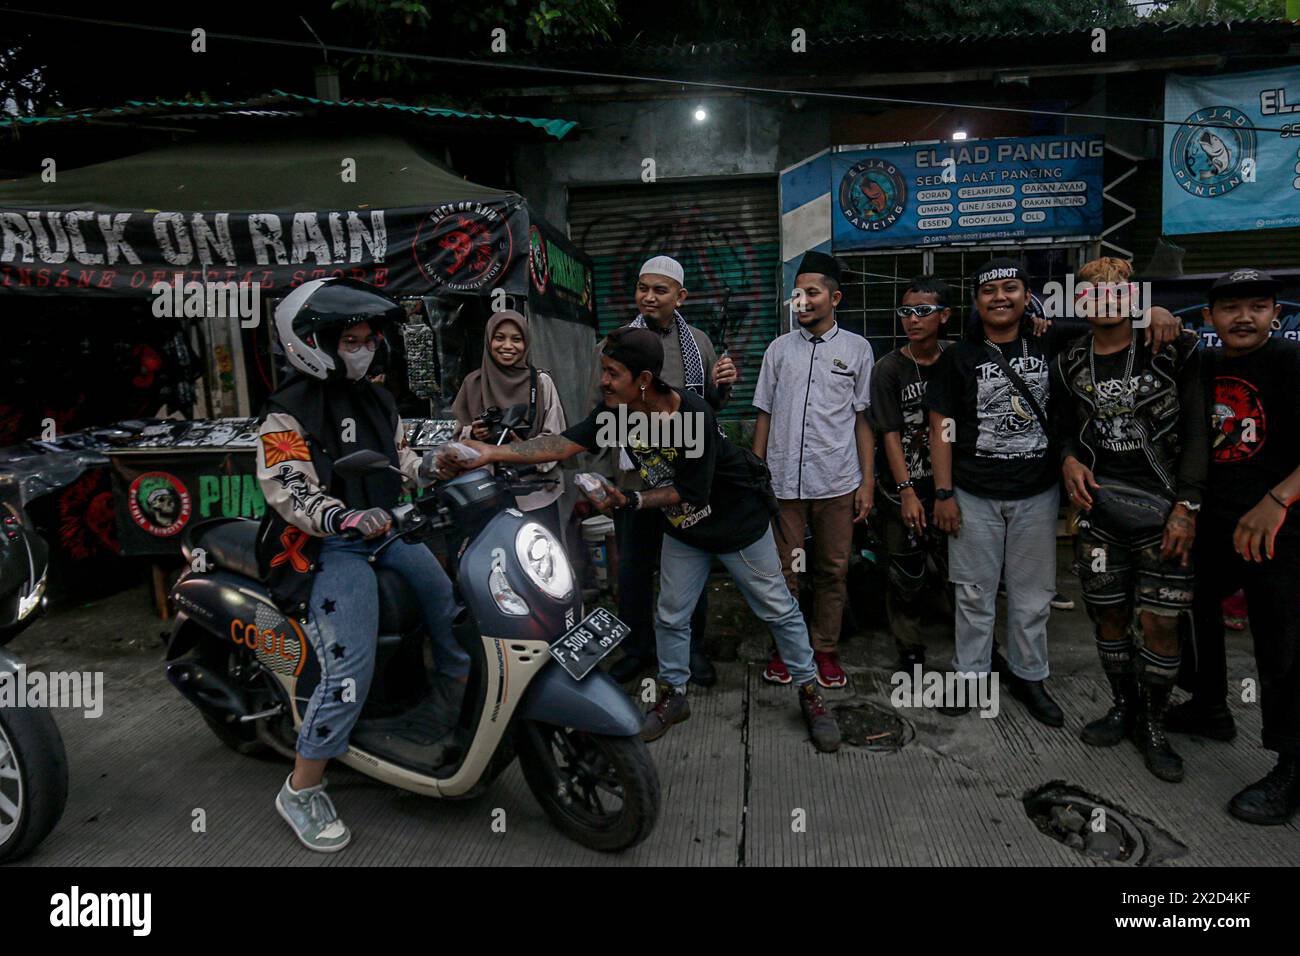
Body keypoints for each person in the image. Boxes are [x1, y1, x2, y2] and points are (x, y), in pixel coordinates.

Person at [441, 326, 841, 752]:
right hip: (685, 530)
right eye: (604, 371)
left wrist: (627, 499)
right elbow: (561, 444)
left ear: (643, 380)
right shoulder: (617, 413)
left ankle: (811, 693)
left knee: (777, 608)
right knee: (670, 614)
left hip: (736, 526)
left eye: (613, 373)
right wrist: (489, 453)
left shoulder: (693, 416)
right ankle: (673, 695)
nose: (604, 381)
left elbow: (691, 491)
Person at [256, 277, 468, 853]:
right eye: (352, 338)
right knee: (349, 668)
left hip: (389, 530)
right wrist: (340, 518)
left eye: (369, 338)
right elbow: (287, 488)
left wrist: (434, 466)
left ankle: (449, 710)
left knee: (454, 612)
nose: (365, 347)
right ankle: (301, 788)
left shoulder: (377, 398)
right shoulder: (285, 414)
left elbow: (399, 459)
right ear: (313, 342)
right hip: (329, 547)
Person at [925, 258, 1181, 725]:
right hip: (972, 493)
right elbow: (941, 425)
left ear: (1027, 297)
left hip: (1038, 493)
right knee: (974, 594)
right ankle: (970, 678)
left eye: (1010, 288)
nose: (1000, 297)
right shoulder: (957, 357)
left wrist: (1156, 312)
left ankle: (1029, 677)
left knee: (1032, 594)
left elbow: (1111, 321)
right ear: (976, 302)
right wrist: (943, 493)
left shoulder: (1055, 340)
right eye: (989, 291)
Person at [1053, 256, 1206, 783]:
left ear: (1134, 297)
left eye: (1118, 291)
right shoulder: (1070, 359)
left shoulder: (1170, 349)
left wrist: (1188, 506)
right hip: (1099, 512)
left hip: (1165, 511)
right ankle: (1123, 706)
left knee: (1161, 621)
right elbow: (1066, 427)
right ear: (1080, 302)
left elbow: (1197, 433)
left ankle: (1156, 723)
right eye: (1093, 293)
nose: (1105, 301)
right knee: (1108, 617)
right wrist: (1070, 458)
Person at [1171, 268, 1300, 824]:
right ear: (1209, 318)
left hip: (1277, 526)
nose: (1243, 317)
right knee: (1186, 604)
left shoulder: (1292, 362)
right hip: (1214, 521)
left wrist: (1279, 500)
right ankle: (1208, 707)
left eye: (1257, 306)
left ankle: (1292, 766)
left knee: (1282, 646)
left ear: (1276, 313)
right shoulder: (1203, 362)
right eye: (1230, 308)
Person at [591, 256, 737, 686]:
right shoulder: (612, 345)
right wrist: (601, 478)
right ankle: (637, 651)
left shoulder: (700, 344)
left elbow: (709, 411)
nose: (649, 297)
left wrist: (722, 387)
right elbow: (597, 413)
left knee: (689, 570)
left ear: (681, 296)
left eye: (660, 290)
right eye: (642, 288)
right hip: (633, 482)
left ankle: (691, 651)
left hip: (686, 486)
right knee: (633, 571)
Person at [753, 251, 874, 688]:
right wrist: (758, 473)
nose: (803, 300)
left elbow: (863, 419)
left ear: (835, 297)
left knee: (832, 569)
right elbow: (764, 413)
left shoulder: (858, 349)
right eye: (798, 292)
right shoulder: (778, 350)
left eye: (813, 292)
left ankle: (825, 649)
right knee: (786, 571)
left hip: (837, 480)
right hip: (783, 482)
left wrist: (867, 482)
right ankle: (788, 648)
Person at [870, 276, 956, 673]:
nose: (913, 320)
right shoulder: (889, 368)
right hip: (902, 487)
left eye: (923, 312)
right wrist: (905, 491)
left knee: (963, 569)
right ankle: (910, 649)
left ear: (944, 315)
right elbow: (887, 431)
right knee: (904, 573)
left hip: (953, 489)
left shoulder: (959, 359)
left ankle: (977, 645)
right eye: (906, 312)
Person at [450, 309, 567, 540]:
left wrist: (520, 450)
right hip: (484, 494)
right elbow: (454, 441)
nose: (508, 346)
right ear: (488, 340)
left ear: (526, 343)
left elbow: (557, 439)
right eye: (499, 338)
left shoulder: (541, 383)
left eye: (517, 339)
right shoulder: (473, 383)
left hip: (535, 492)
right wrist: (474, 433)